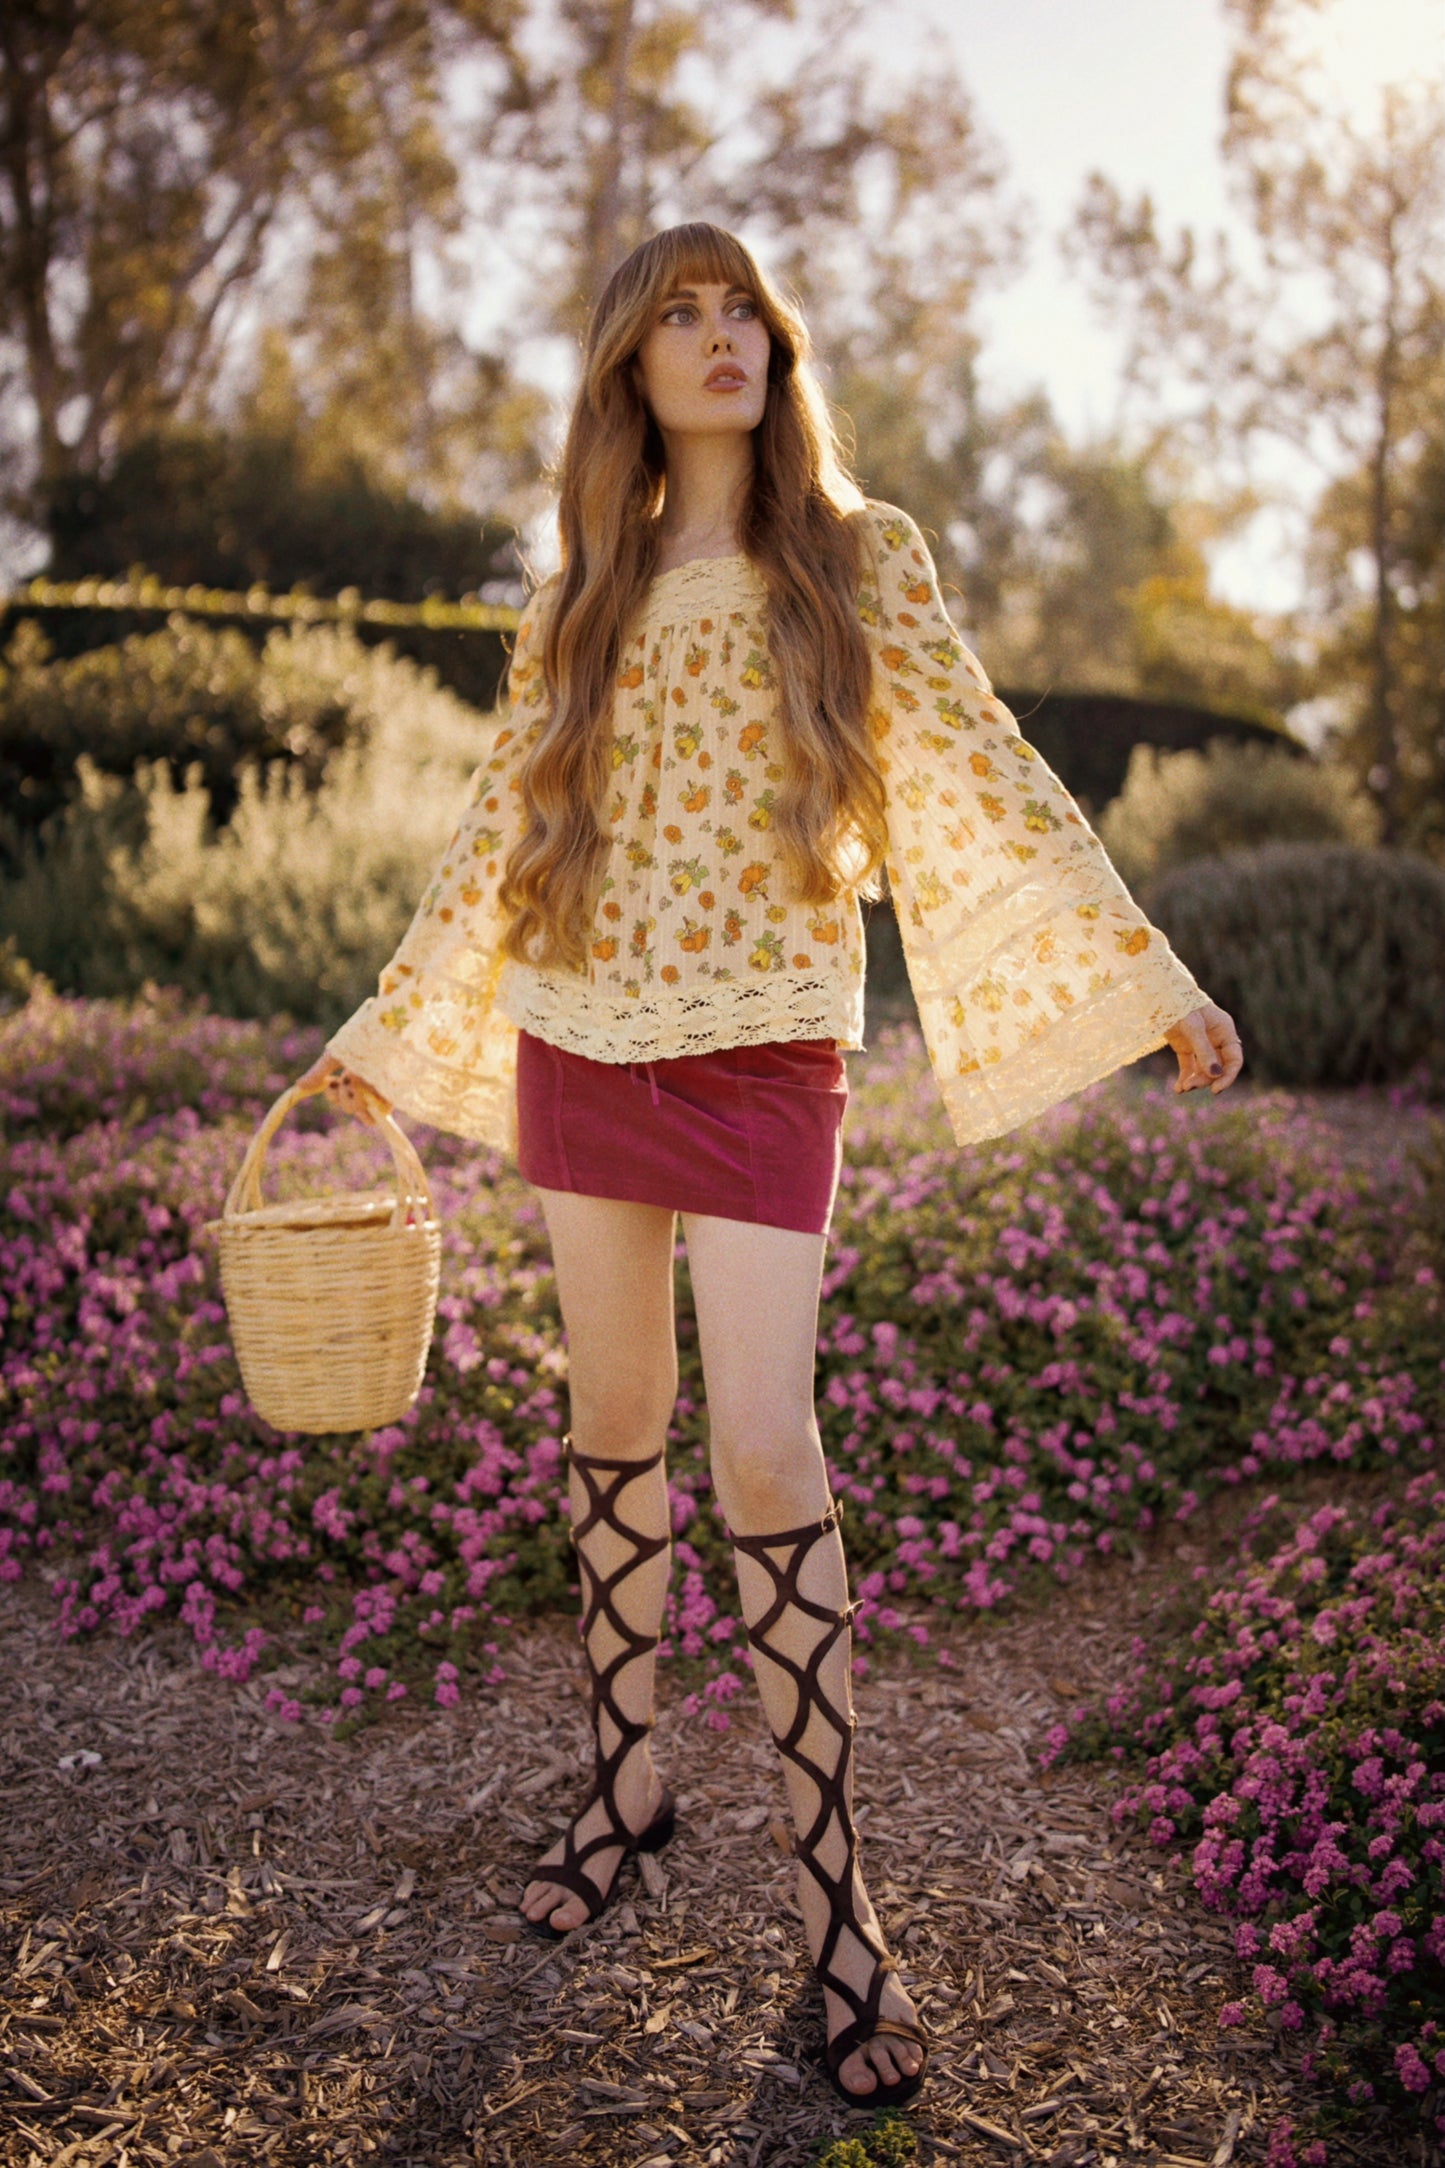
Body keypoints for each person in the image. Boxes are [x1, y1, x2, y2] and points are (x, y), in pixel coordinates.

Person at [297, 221, 1243, 2109]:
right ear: (627, 368)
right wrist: (383, 1031)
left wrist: (1146, 972)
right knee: (614, 1414)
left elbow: (985, 773)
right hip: (581, 1040)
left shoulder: (854, 559)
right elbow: (495, 832)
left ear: (773, 350)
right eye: (678, 317)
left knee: (762, 1449)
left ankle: (839, 1909)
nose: (718, 340)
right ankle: (626, 1779)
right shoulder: (580, 586)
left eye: (740, 311)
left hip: (764, 1053)